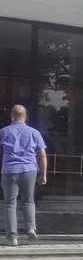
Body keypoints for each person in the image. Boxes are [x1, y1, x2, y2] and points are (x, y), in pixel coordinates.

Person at [1, 105, 47, 246]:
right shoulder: (34, 133)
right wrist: (43, 174)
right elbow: (43, 155)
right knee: (28, 200)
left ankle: (12, 237)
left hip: (9, 170)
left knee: (10, 203)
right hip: (29, 170)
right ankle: (30, 228)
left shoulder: (3, 132)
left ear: (11, 116)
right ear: (25, 117)